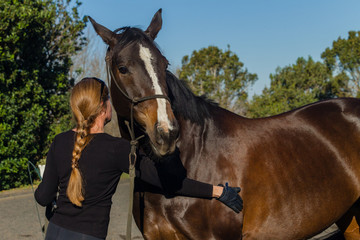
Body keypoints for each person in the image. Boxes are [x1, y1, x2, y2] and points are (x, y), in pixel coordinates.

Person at [35, 77, 243, 240]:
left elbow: (43, 197)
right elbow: (169, 183)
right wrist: (218, 192)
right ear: (102, 106)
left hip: (54, 232)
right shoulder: (117, 149)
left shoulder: (59, 141)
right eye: (108, 101)